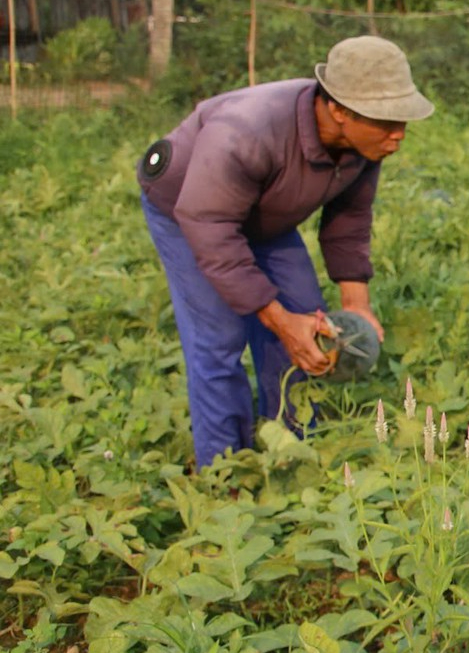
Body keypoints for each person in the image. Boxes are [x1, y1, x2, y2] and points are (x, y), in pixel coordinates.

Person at [138, 36, 434, 467]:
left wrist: (357, 307)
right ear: (339, 109)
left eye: (403, 121)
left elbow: (349, 221)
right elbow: (214, 230)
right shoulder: (246, 133)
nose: (399, 135)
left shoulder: (367, 140)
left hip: (266, 215)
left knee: (306, 322)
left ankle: (294, 451)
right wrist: (275, 318)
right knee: (219, 340)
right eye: (389, 122)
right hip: (192, 214)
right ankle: (226, 472)